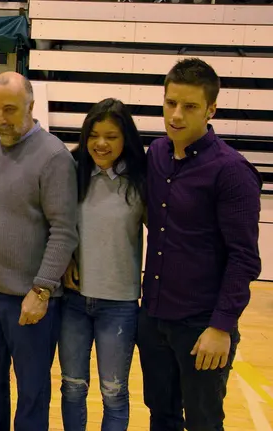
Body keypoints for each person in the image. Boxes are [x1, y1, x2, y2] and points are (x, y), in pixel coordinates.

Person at [138, 58, 262, 431]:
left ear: (211, 109)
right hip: (155, 317)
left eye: (190, 106)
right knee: (161, 416)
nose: (176, 115)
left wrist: (221, 326)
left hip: (202, 326)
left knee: (204, 423)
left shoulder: (231, 171)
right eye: (170, 103)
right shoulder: (156, 154)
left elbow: (244, 259)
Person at [0, 71, 78, 431]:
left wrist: (42, 288)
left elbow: (64, 232)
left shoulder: (54, 156)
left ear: (31, 106)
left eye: (10, 110)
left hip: (29, 300)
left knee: (31, 394)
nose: (0, 119)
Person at [59, 98, 146, 431]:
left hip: (120, 304)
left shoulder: (140, 179)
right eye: (94, 135)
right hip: (73, 302)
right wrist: (66, 258)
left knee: (114, 393)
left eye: (111, 136)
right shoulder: (73, 171)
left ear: (125, 139)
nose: (101, 143)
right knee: (72, 388)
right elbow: (57, 224)